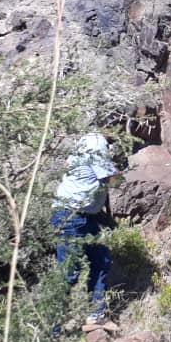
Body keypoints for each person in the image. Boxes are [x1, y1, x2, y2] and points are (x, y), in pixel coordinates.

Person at [50, 129, 120, 331]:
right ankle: (50, 329)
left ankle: (95, 316)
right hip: (72, 216)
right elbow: (113, 180)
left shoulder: (85, 140)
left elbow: (67, 165)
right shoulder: (97, 144)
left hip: (80, 215)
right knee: (69, 273)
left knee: (101, 260)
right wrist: (120, 172)